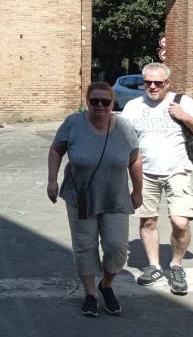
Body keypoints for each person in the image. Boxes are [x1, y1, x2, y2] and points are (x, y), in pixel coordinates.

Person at [48, 81, 143, 317]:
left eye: (105, 101)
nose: (100, 105)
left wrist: (138, 190)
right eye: (94, 101)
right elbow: (56, 149)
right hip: (81, 196)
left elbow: (134, 159)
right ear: (87, 102)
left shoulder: (124, 127)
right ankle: (90, 293)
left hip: (115, 197)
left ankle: (106, 285)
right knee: (84, 247)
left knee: (116, 247)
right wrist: (52, 180)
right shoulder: (73, 123)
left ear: (113, 103)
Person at [120, 62, 193, 295]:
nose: (152, 86)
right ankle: (154, 266)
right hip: (145, 172)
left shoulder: (182, 102)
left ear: (167, 84)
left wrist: (183, 117)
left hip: (177, 170)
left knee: (180, 221)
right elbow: (123, 140)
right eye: (147, 82)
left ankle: (176, 265)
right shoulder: (132, 106)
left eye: (157, 83)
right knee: (148, 221)